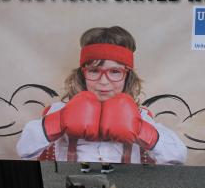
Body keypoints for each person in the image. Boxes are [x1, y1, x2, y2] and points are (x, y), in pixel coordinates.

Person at [16, 26, 187, 173]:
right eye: (94, 71)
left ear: (127, 76)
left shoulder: (139, 115)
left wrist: (140, 129)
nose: (103, 82)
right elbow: (24, 150)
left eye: (115, 72)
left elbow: (177, 157)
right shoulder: (58, 110)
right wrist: (60, 120)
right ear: (82, 73)